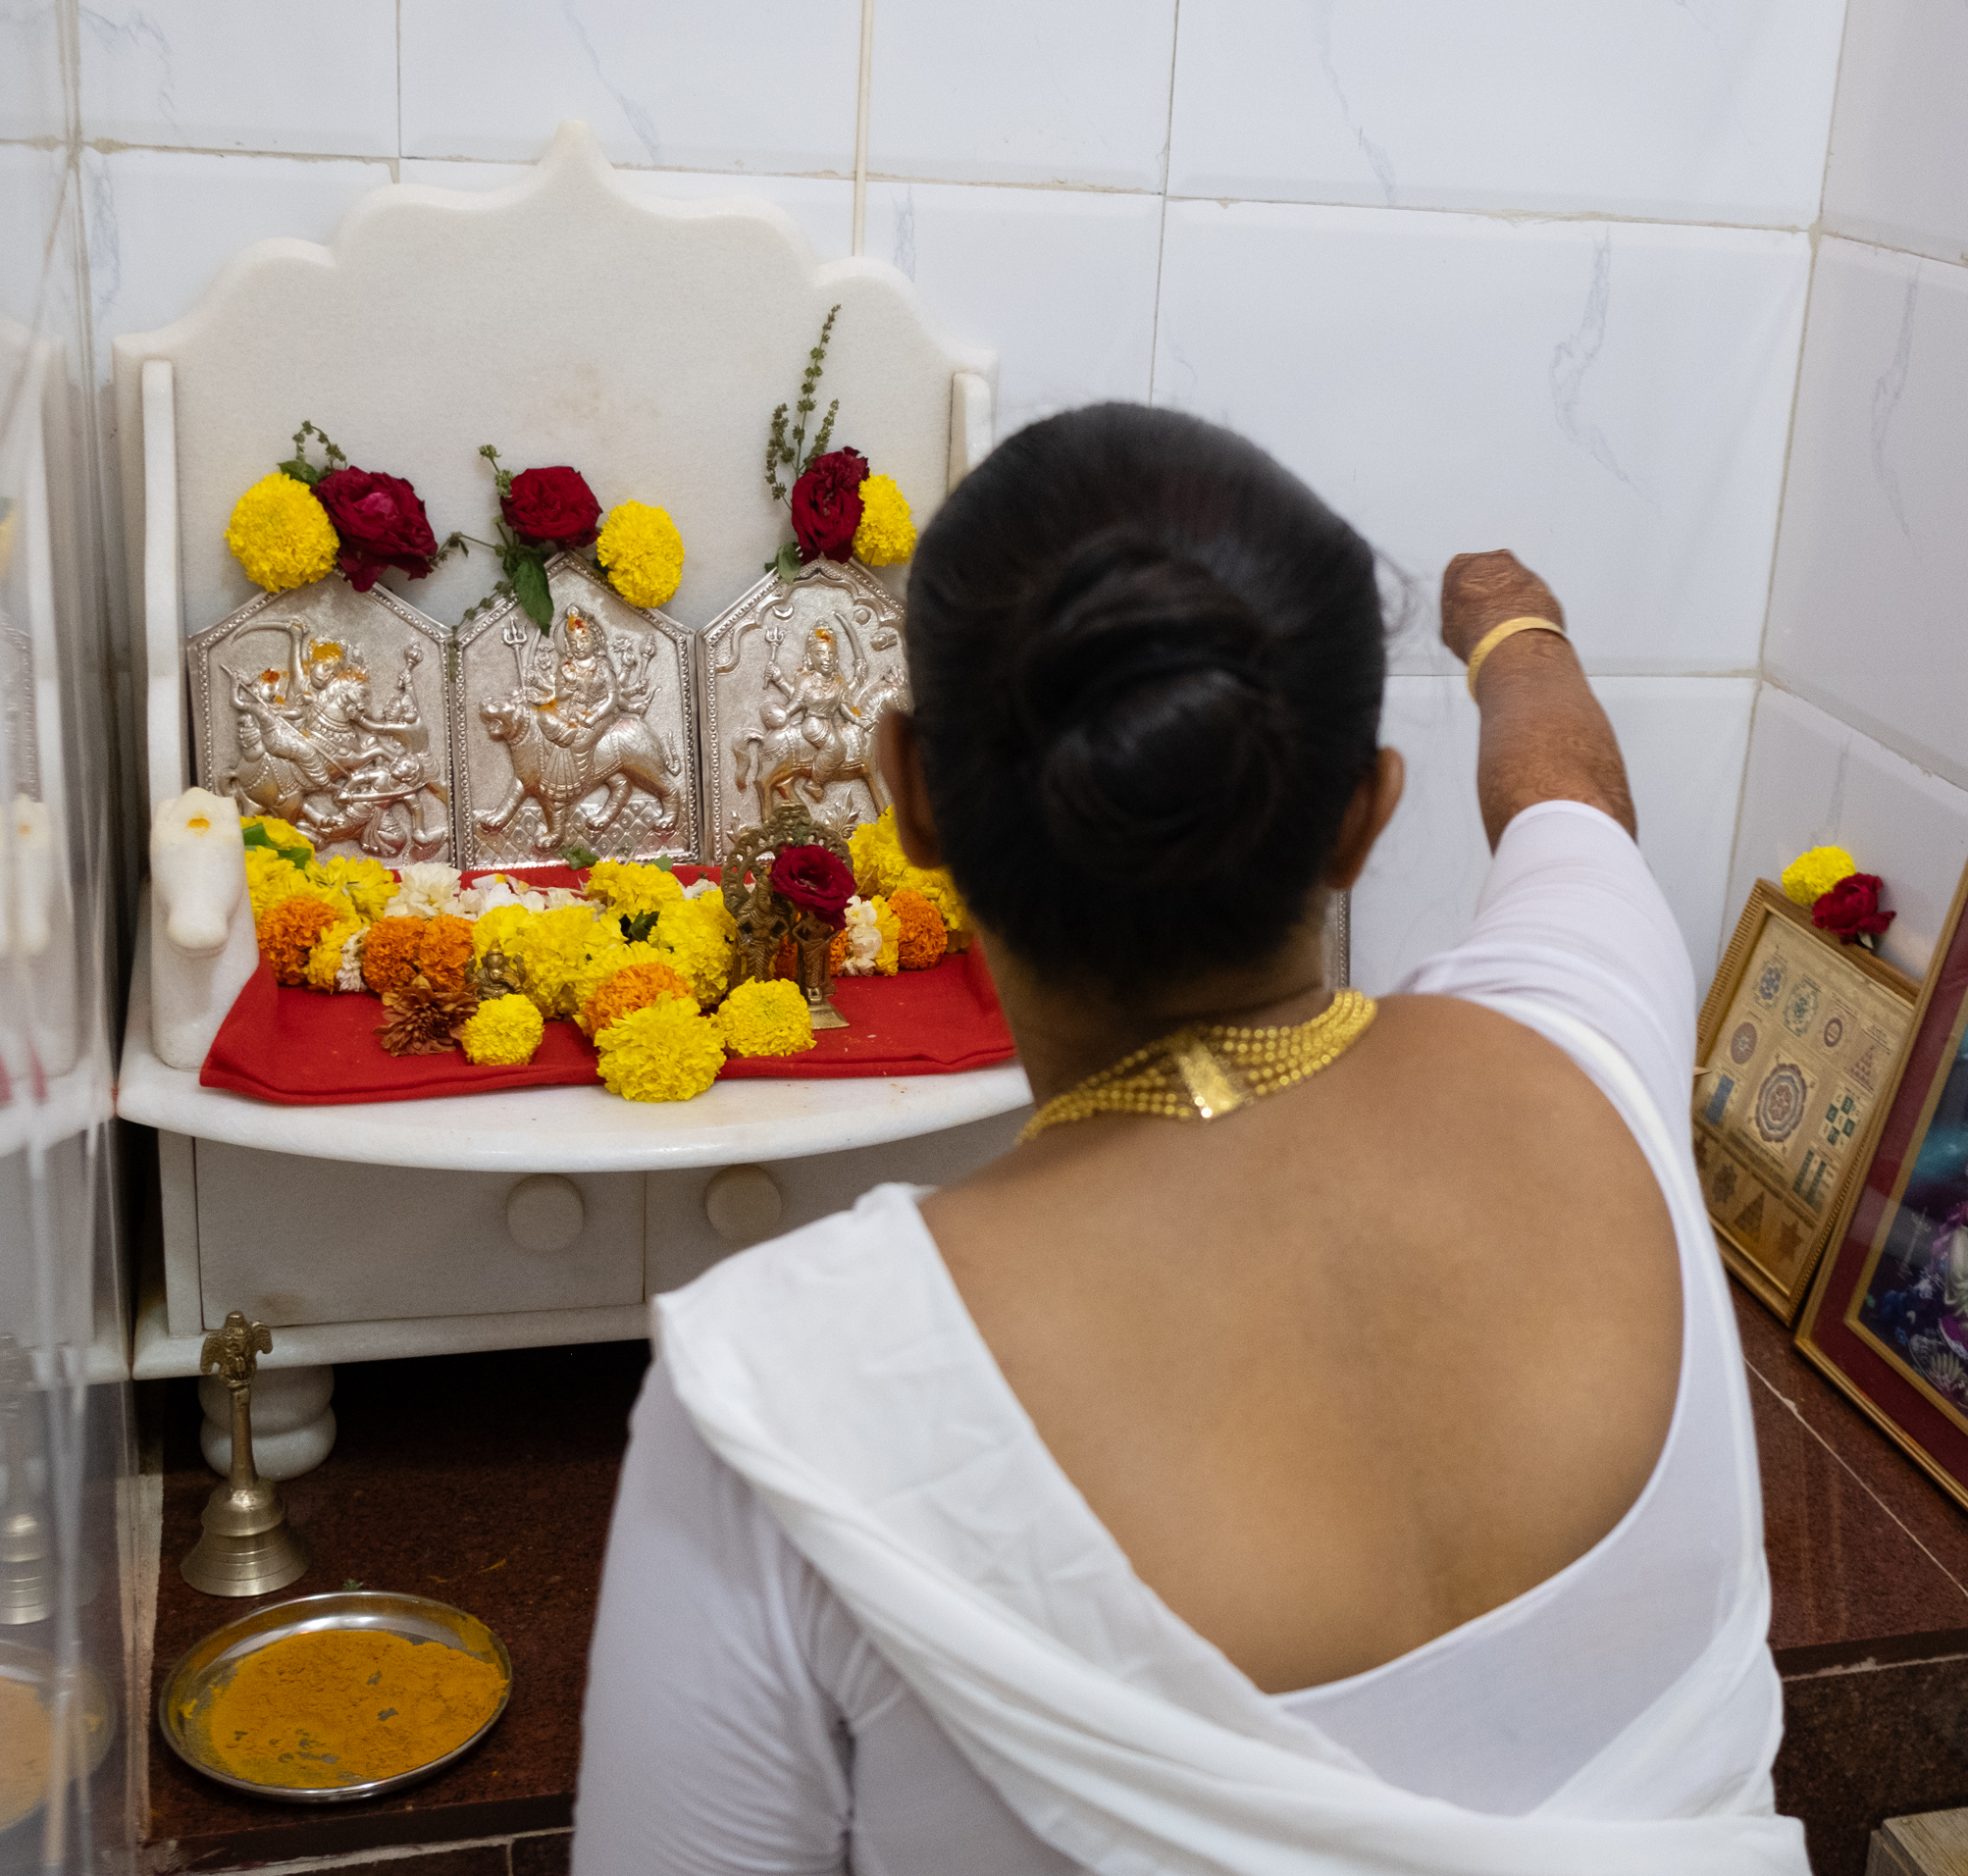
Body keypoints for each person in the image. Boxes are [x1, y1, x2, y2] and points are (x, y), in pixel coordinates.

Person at [573, 404, 1808, 1876]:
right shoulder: (1590, 1048)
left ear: (910, 795)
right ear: (1365, 818)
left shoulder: (783, 1401)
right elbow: (1568, 797)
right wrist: (1511, 625)